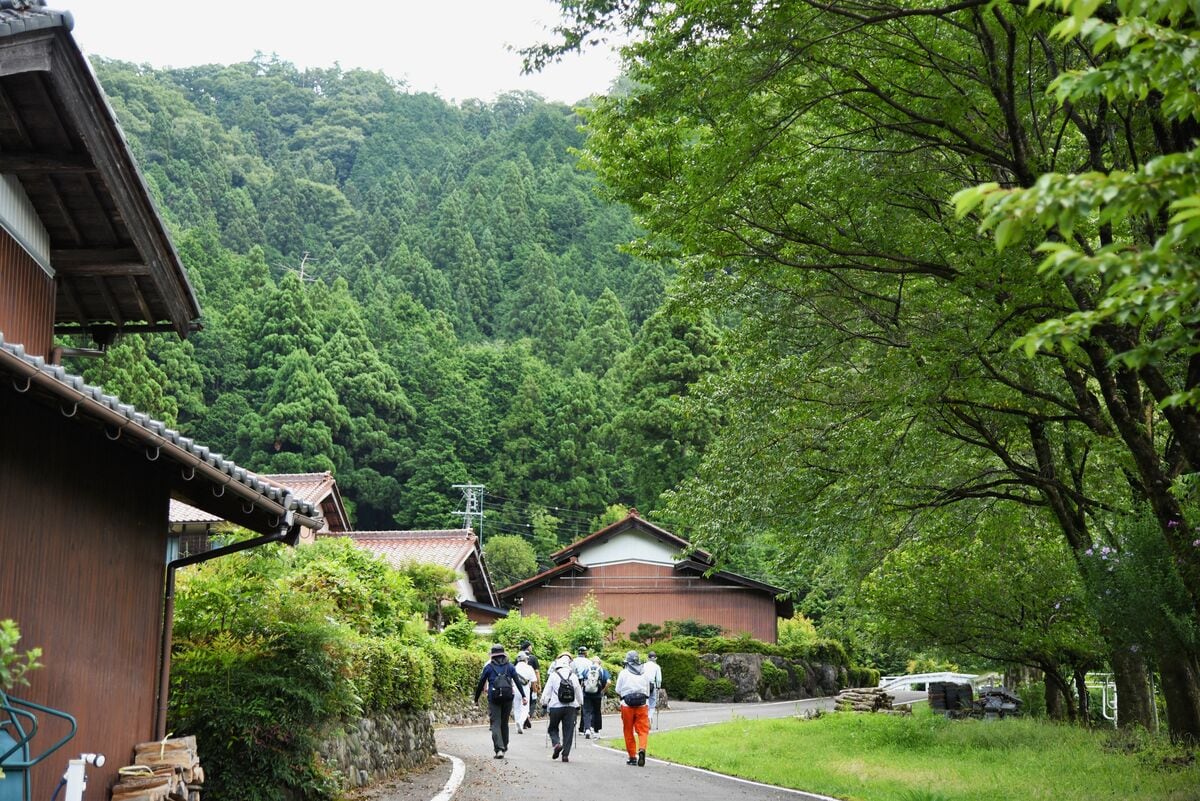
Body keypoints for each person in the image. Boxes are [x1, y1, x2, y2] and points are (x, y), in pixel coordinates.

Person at [474, 643, 524, 759]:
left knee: (496, 723)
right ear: (503, 654)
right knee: (504, 723)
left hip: (494, 698)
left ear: (492, 655)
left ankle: (499, 749)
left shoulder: (488, 667)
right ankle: (504, 746)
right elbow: (517, 681)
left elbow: (481, 683)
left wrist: (476, 699)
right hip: (508, 698)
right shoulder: (510, 666)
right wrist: (523, 695)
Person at [540, 651, 583, 763]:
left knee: (553, 728)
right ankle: (565, 755)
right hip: (571, 707)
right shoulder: (573, 676)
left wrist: (544, 703)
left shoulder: (554, 675)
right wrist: (579, 703)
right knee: (568, 731)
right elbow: (578, 692)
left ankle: (556, 744)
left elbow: (547, 692)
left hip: (555, 706)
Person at [615, 650, 652, 766]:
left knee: (628, 730)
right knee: (643, 730)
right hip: (642, 705)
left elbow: (617, 690)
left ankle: (632, 757)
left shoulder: (623, 673)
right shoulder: (645, 673)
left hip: (627, 705)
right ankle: (642, 748)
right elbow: (648, 690)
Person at [580, 654, 610, 738]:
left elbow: (582, 681)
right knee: (597, 712)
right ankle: (596, 731)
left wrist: (582, 689)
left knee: (586, 711)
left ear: (592, 662)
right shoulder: (602, 670)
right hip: (597, 694)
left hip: (586, 693)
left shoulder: (586, 669)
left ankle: (587, 729)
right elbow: (609, 682)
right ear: (600, 663)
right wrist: (603, 690)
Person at [513, 651, 539, 733]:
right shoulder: (529, 668)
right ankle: (520, 722)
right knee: (525, 708)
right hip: (525, 689)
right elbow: (534, 681)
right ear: (525, 659)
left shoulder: (514, 668)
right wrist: (535, 692)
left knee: (516, 708)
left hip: (515, 689)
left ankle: (517, 725)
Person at [572, 646, 592, 734]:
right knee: (585, 706)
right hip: (584, 684)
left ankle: (572, 723)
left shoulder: (573, 661)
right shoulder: (589, 662)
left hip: (573, 684)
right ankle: (582, 727)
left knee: (573, 704)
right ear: (585, 653)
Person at [643, 650, 663, 727]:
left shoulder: (644, 665)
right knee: (652, 702)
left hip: (644, 685)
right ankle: (649, 717)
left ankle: (645, 718)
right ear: (655, 659)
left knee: (645, 701)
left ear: (648, 658)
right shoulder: (657, 667)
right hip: (652, 685)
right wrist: (658, 686)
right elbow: (658, 679)